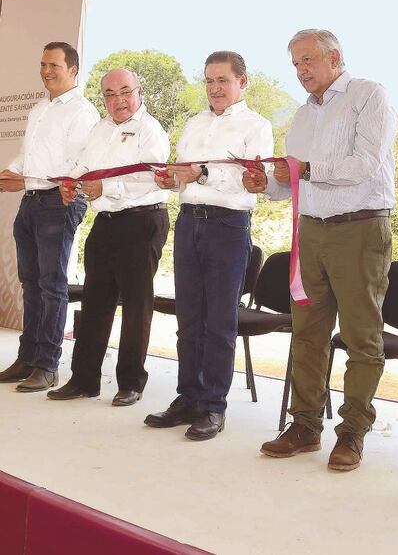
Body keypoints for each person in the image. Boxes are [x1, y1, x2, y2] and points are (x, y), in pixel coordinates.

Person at [246, 29, 397, 471]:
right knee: (307, 332)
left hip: (360, 228)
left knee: (361, 337)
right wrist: (268, 183)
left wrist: (306, 169)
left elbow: (364, 164)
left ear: (335, 57)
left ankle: (352, 432)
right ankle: (305, 426)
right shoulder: (302, 115)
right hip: (311, 230)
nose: (301, 71)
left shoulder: (369, 95)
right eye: (295, 64)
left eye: (308, 60)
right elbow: (294, 181)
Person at [144, 51, 273, 441]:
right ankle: (188, 397)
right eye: (209, 81)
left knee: (219, 323)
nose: (215, 88)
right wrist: (174, 181)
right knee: (188, 321)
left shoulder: (257, 126)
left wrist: (203, 173)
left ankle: (214, 406)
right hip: (188, 223)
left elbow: (251, 180)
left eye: (223, 80)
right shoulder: (194, 123)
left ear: (242, 82)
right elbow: (184, 174)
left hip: (228, 225)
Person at [47, 68, 169, 406]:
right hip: (105, 222)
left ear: (139, 92)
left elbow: (153, 178)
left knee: (136, 305)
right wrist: (70, 183)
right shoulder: (100, 129)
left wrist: (107, 187)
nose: (118, 101)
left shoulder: (151, 130)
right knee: (95, 301)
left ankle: (131, 382)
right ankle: (84, 380)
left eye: (125, 92)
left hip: (143, 221)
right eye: (110, 95)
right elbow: (83, 167)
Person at [0, 42, 99, 392]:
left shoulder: (82, 112)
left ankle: (47, 365)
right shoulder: (39, 108)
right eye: (43, 64)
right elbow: (29, 156)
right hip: (31, 201)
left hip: (60, 202)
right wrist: (10, 173)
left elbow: (81, 162)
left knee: (52, 286)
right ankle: (27, 357)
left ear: (72, 69)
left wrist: (61, 186)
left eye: (54, 65)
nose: (46, 71)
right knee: (30, 283)